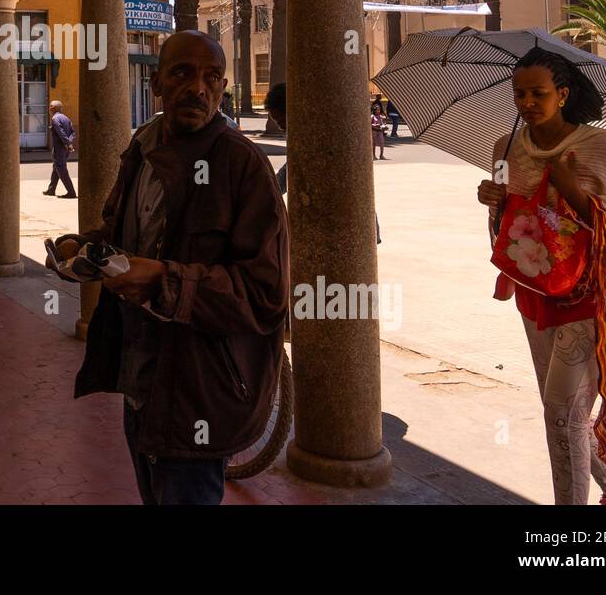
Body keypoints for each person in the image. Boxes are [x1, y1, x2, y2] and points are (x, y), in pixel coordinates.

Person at [61, 30, 288, 505]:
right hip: (141, 379)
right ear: (157, 84)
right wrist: (83, 249)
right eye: (183, 73)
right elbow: (119, 234)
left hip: (199, 389)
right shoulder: (141, 150)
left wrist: (163, 281)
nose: (199, 88)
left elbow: (265, 293)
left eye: (212, 78)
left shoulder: (241, 165)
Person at [476, 47, 606, 505]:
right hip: (536, 290)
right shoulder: (504, 147)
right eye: (519, 93)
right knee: (568, 411)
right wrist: (494, 198)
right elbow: (509, 226)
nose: (526, 102)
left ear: (562, 94)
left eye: (538, 93)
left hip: (593, 295)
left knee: (560, 410)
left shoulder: (600, 147)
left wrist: (574, 193)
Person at [270, 81, 379, 244]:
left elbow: (289, 172)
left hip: (344, 224)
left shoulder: (319, 136)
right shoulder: (311, 133)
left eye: (280, 119)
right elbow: (289, 171)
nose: (280, 126)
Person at [43, 100, 77, 199]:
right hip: (65, 148)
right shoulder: (65, 118)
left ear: (52, 108)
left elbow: (61, 132)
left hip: (59, 148)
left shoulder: (55, 118)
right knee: (56, 167)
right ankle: (51, 189)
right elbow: (72, 133)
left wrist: (67, 144)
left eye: (50, 106)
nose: (49, 108)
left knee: (61, 169)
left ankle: (71, 192)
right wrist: (69, 143)